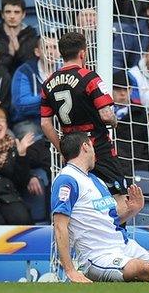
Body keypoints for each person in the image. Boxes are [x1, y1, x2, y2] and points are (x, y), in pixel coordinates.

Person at [51, 132, 149, 283]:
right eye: (92, 147)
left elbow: (109, 221)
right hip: (99, 256)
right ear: (85, 146)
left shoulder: (96, 180)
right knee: (148, 270)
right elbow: (60, 226)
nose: (95, 153)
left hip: (125, 246)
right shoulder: (67, 179)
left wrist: (133, 209)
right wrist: (70, 270)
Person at [40, 32, 133, 220]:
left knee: (80, 197)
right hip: (96, 145)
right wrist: (114, 122)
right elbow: (106, 115)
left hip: (71, 147)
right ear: (83, 53)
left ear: (61, 53)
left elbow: (44, 123)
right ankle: (114, 237)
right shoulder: (89, 77)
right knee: (119, 195)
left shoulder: (48, 83)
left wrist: (61, 147)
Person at [112, 71, 149, 175]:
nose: (122, 93)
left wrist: (137, 165)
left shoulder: (140, 114)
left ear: (131, 90)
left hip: (137, 167)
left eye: (126, 89)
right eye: (118, 89)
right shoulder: (100, 114)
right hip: (111, 167)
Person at [11, 36, 59, 139]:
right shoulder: (25, 71)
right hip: (31, 122)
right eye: (46, 47)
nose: (51, 51)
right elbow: (21, 105)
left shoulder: (64, 70)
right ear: (37, 52)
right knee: (34, 140)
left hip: (59, 122)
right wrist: (47, 96)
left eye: (54, 47)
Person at [0, 0, 39, 74]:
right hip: (2, 83)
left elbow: (32, 68)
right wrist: (10, 54)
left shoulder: (32, 38)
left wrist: (18, 51)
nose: (12, 16)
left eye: (16, 12)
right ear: (2, 15)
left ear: (23, 14)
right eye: (8, 12)